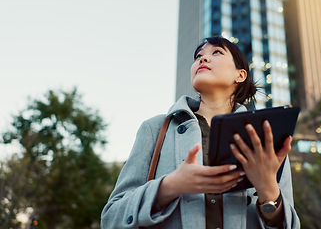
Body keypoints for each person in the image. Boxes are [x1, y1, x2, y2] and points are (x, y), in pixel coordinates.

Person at [101, 36, 300, 229]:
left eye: (216, 52)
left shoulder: (266, 137)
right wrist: (170, 186)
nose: (202, 59)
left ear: (240, 75)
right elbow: (111, 218)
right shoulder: (155, 129)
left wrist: (268, 190)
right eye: (198, 56)